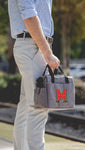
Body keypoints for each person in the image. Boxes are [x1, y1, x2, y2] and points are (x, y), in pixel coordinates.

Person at [8, 0, 60, 149]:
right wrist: (47, 53)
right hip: (33, 46)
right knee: (39, 106)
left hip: (34, 44)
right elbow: (29, 15)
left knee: (27, 104)